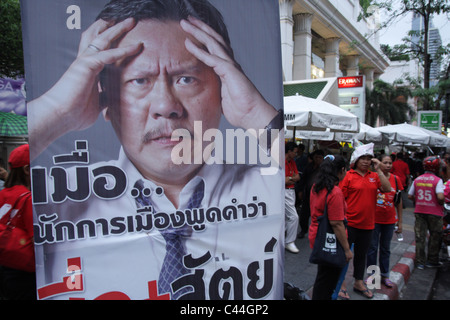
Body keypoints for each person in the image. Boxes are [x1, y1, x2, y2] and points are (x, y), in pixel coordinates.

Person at [25, 0, 284, 300]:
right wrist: (57, 111)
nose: (166, 106)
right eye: (139, 80)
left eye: (186, 79)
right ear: (104, 98)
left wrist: (255, 113)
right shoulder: (54, 206)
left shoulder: (271, 186)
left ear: (224, 89)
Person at [338, 143, 391, 299]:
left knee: (362, 255)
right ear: (356, 160)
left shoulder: (375, 176)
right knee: (345, 254)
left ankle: (358, 281)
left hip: (368, 224)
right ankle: (341, 283)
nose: (366, 162)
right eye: (363, 158)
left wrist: (379, 169)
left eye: (369, 159)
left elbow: (387, 189)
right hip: (350, 223)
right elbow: (340, 198)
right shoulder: (348, 175)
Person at [309, 154, 352, 300]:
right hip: (330, 240)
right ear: (341, 170)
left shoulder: (316, 187)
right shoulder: (335, 192)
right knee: (327, 281)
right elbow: (337, 224)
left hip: (317, 236)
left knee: (323, 277)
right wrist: (346, 249)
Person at [0, 144, 35, 300]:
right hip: (24, 272)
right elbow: (37, 240)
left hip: (4, 263)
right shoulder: (29, 199)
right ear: (27, 169)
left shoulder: (3, 193)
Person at [366, 154, 403, 288]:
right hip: (374, 219)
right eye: (385, 163)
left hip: (389, 221)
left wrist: (400, 222)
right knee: (372, 248)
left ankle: (385, 275)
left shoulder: (396, 179)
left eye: (390, 163)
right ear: (379, 163)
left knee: (385, 249)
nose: (388, 165)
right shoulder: (373, 177)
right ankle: (371, 276)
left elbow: (398, 201)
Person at [408, 156, 445, 269]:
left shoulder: (417, 179)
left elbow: (410, 195)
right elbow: (440, 197)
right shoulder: (438, 181)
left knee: (420, 237)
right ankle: (432, 260)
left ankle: (420, 262)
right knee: (435, 236)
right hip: (435, 213)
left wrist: (419, 200)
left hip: (420, 211)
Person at [298, 149, 324, 239]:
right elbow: (303, 179)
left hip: (320, 196)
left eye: (320, 158)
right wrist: (300, 190)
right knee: (304, 215)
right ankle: (303, 230)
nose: (317, 159)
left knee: (318, 215)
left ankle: (319, 232)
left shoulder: (324, 169)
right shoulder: (309, 167)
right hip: (308, 195)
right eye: (316, 157)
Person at [285, 142, 300, 253]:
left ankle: (285, 239)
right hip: (284, 191)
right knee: (294, 217)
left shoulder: (293, 162)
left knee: (288, 217)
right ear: (289, 151)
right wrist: (291, 178)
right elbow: (283, 180)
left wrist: (289, 178)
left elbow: (297, 177)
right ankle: (289, 241)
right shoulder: (282, 162)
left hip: (291, 191)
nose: (296, 154)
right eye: (294, 152)